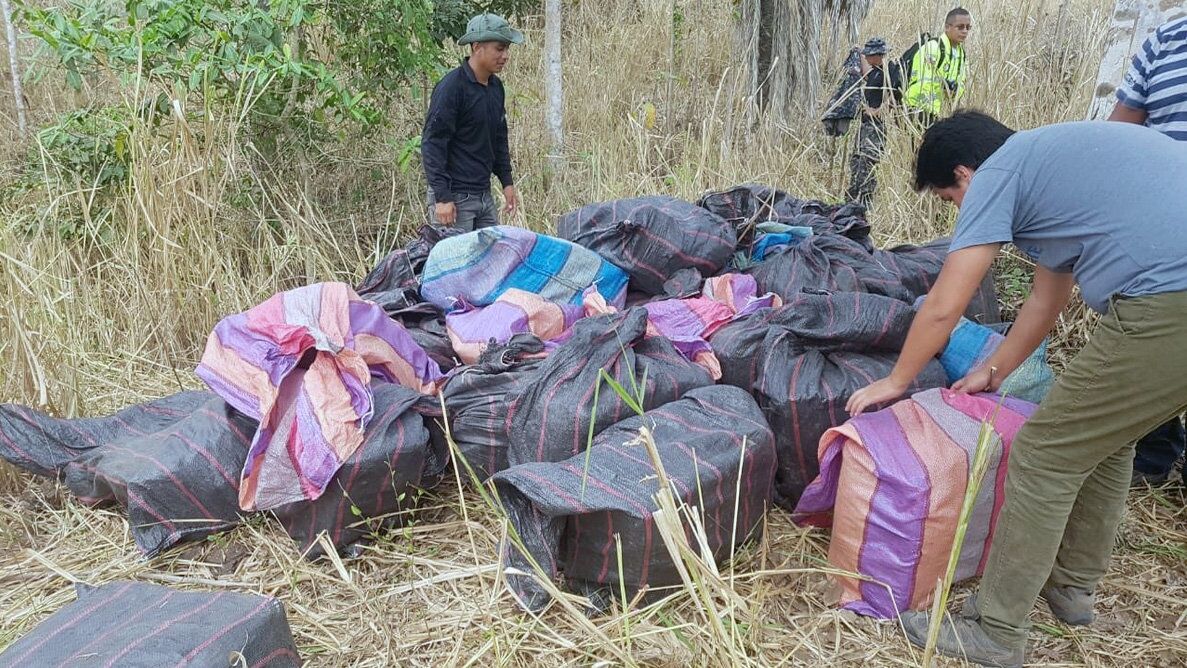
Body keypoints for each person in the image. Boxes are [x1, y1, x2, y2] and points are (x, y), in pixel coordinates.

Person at [846, 111, 1187, 668]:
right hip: (1173, 292)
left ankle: (995, 629)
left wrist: (897, 380)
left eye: (949, 200)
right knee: (1108, 437)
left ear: (965, 174)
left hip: (1169, 300)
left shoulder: (999, 172)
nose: (960, 213)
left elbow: (945, 304)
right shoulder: (1051, 168)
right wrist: (997, 370)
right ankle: (1071, 586)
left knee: (1044, 454)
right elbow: (1045, 301)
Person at [1108, 15, 1187, 486]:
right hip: (1161, 227)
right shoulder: (1168, 36)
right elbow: (1120, 131)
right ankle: (1156, 454)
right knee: (1147, 336)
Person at [421, 13, 523, 231]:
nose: (505, 56)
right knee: (456, 264)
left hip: (484, 196)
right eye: (499, 48)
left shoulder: (496, 88)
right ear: (477, 47)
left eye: (507, 49)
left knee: (493, 262)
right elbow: (432, 143)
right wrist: (442, 197)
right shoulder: (451, 88)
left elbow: (498, 138)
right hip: (455, 199)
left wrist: (507, 182)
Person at [845, 37, 904, 209]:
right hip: (865, 126)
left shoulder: (890, 71)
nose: (867, 58)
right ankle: (852, 199)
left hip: (876, 128)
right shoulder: (876, 71)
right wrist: (857, 52)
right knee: (856, 160)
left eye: (869, 55)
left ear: (878, 55)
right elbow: (866, 74)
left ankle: (865, 203)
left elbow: (896, 97)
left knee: (867, 163)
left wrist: (877, 111)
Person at [904, 7, 971, 126]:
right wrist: (943, 85)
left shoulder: (960, 54)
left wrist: (954, 90)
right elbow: (923, 81)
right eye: (960, 27)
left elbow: (961, 82)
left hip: (935, 111)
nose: (965, 31)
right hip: (917, 108)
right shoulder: (933, 47)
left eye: (968, 27)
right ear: (947, 27)